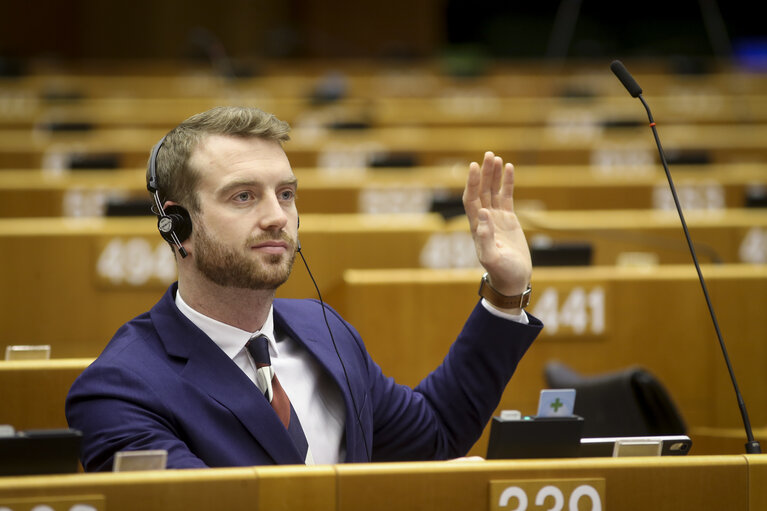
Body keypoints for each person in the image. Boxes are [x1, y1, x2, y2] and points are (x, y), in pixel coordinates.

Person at [65, 106, 543, 470]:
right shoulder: (120, 391)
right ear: (177, 226)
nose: (277, 217)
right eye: (244, 196)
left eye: (286, 194)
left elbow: (434, 433)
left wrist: (504, 293)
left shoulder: (323, 330)